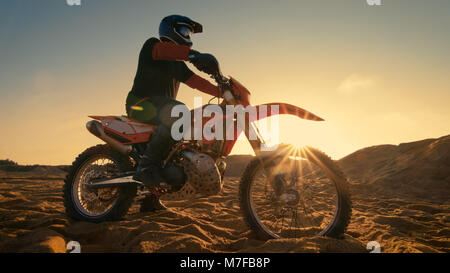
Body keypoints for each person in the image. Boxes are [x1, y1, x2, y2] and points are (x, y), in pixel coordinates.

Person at [126, 15, 221, 211]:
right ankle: (146, 167)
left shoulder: (177, 64)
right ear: (170, 30)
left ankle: (151, 200)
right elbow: (165, 51)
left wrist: (222, 92)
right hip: (141, 104)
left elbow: (196, 82)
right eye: (185, 32)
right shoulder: (153, 46)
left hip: (162, 111)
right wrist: (193, 55)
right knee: (180, 111)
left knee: (174, 149)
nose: (188, 36)